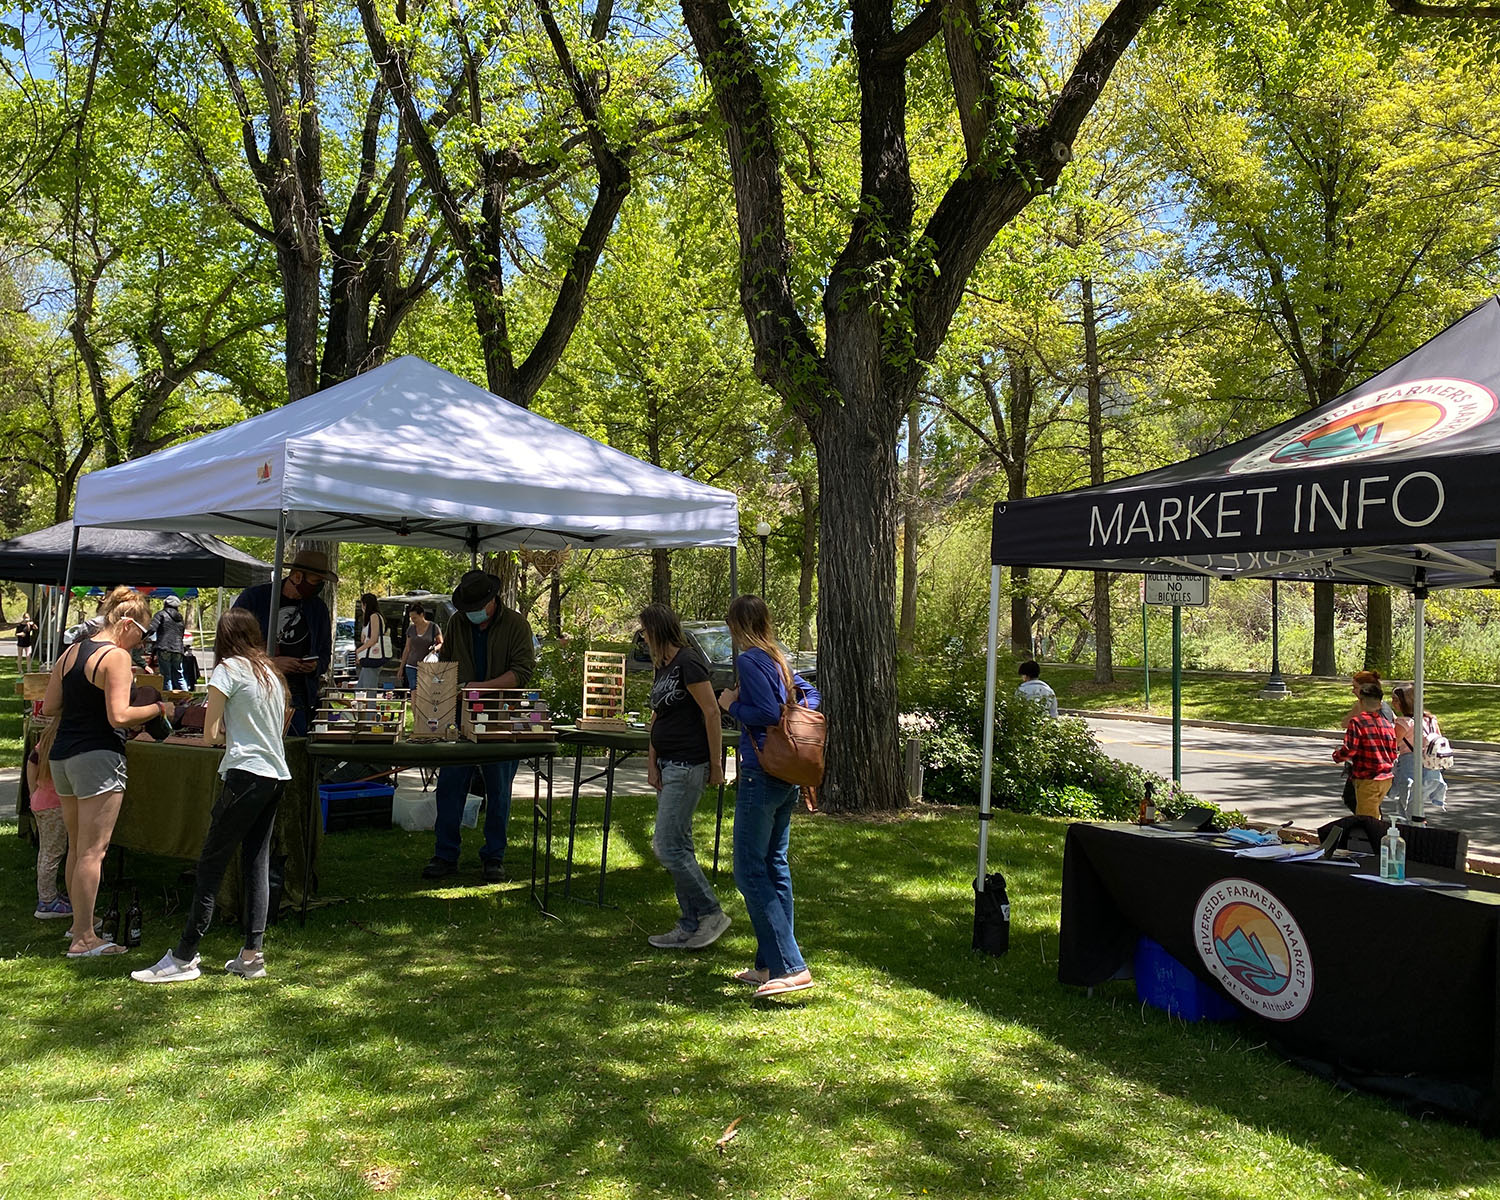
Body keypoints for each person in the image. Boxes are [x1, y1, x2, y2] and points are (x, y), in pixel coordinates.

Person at [131, 609, 292, 984]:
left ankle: (184, 956)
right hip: (275, 775)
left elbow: (209, 733)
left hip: (245, 774)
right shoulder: (269, 672)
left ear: (222, 638)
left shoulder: (227, 670)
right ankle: (252, 955)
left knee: (210, 865)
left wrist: (225, 734)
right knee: (256, 863)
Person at [43, 590, 169, 957]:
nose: (142, 644)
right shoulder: (114, 656)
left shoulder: (71, 651)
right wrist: (158, 708)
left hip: (62, 755)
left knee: (78, 846)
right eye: (142, 635)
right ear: (126, 624)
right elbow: (120, 716)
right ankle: (85, 939)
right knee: (93, 851)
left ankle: (79, 923)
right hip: (97, 755)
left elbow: (51, 705)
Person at [718, 594, 820, 998]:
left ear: (737, 626)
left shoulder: (748, 660)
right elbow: (810, 695)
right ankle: (767, 964)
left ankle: (791, 966)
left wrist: (732, 705)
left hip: (761, 773)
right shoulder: (779, 658)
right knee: (775, 864)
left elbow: (764, 712)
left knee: (748, 869)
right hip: (787, 773)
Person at [422, 571, 535, 883]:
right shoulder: (458, 622)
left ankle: (494, 856)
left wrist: (480, 687)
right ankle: (445, 854)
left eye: (476, 606)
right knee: (450, 786)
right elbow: (445, 665)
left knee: (499, 790)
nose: (471, 613)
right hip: (459, 717)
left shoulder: (516, 625)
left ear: (492, 602)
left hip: (501, 717)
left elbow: (521, 672)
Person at [639, 603, 729, 950]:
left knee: (666, 846)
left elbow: (711, 712)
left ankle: (711, 912)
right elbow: (657, 718)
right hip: (667, 765)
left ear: (659, 631)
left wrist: (716, 765)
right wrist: (651, 762)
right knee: (680, 845)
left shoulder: (688, 662)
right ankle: (689, 924)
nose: (642, 637)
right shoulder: (662, 667)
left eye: (645, 631)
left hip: (688, 765)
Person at [232, 549, 335, 735]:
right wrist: (270, 664)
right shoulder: (254, 598)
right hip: (256, 691)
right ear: (296, 576)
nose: (319, 586)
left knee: (294, 747)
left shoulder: (318, 609)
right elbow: (232, 645)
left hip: (298, 697)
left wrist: (314, 666)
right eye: (314, 581)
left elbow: (325, 652)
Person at [1332, 678, 1398, 819]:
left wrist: (1337, 756)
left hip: (1368, 778)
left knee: (1367, 821)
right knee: (1374, 814)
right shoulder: (1387, 724)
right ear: (1380, 704)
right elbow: (1393, 752)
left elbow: (1351, 749)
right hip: (1386, 778)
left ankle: (1375, 840)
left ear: (1361, 702)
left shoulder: (1357, 722)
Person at [28, 717, 71, 920]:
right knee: (52, 853)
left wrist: (33, 791)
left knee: (47, 851)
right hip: (54, 805)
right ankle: (46, 901)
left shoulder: (48, 737)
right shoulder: (65, 739)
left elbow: (32, 761)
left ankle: (50, 895)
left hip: (41, 800)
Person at [1390, 684, 1449, 819]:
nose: (1393, 703)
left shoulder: (1404, 723)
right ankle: (1417, 826)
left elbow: (1393, 744)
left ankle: (1413, 832)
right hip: (1431, 768)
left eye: (1395, 700)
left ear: (1406, 702)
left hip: (1410, 767)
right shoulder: (1430, 720)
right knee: (1417, 805)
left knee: (1407, 805)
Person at [147, 595, 189, 690]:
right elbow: (181, 634)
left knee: (166, 676)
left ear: (165, 603)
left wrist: (142, 636)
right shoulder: (180, 618)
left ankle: (168, 699)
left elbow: (152, 629)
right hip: (178, 649)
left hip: (164, 648)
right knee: (179, 675)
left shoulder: (160, 614)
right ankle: (186, 698)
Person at [398, 601, 442, 691]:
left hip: (427, 664)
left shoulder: (434, 627)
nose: (413, 620)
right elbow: (407, 648)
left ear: (422, 615)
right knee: (414, 690)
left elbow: (441, 642)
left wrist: (435, 649)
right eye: (411, 618)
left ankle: (422, 705)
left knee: (425, 690)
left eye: (414, 618)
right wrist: (401, 668)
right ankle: (414, 705)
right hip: (411, 665)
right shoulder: (411, 629)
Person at [354, 592, 388, 691]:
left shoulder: (374, 617)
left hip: (373, 657)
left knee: (369, 690)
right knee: (360, 689)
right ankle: (360, 705)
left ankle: (370, 706)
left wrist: (358, 651)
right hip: (368, 657)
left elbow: (373, 639)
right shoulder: (370, 618)